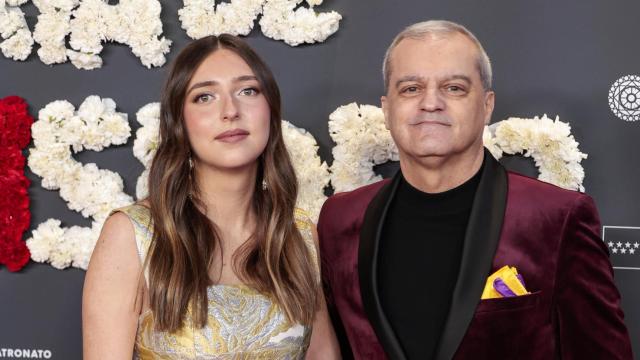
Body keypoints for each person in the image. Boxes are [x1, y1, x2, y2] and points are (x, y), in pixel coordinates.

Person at [318, 20, 633, 359]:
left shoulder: (558, 219)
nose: (431, 102)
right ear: (387, 107)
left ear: (487, 105)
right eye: (411, 88)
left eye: (454, 88)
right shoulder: (339, 218)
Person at [82, 34, 340, 359]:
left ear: (271, 112)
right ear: (180, 122)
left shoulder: (297, 233)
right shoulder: (134, 235)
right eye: (205, 97)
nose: (230, 111)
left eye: (248, 91)